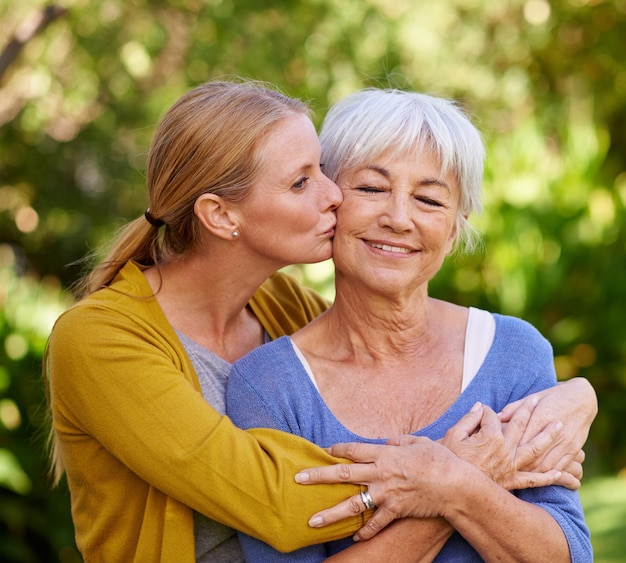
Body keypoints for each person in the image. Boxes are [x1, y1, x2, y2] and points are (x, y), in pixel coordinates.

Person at [45, 80, 594, 563]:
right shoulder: (99, 341)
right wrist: (461, 475)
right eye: (303, 182)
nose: (336, 194)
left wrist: (577, 394)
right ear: (220, 215)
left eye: (323, 172)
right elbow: (279, 504)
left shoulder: (283, 307)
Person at [226, 88, 593, 561]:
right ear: (330, 202)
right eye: (372, 189)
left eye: (429, 200)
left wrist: (449, 484)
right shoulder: (266, 386)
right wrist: (466, 477)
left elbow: (567, 554)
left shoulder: (516, 352)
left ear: (456, 228)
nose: (399, 219)